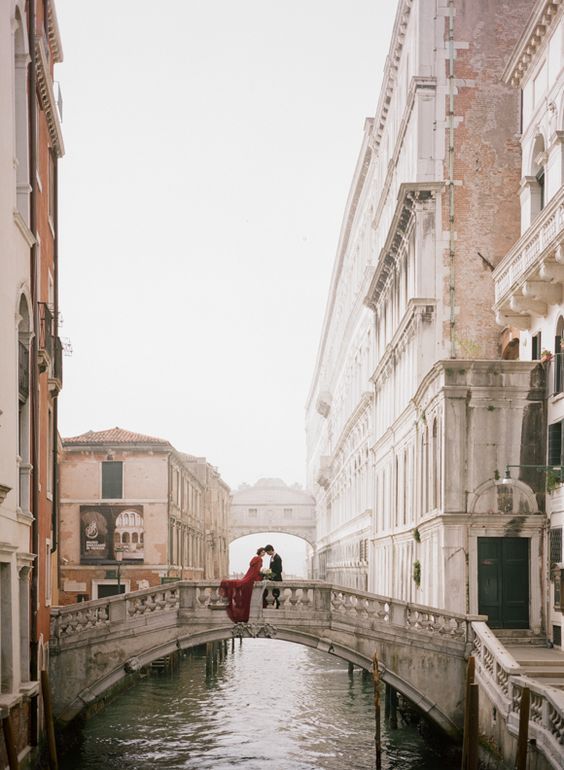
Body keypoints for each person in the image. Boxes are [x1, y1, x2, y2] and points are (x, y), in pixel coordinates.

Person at [219, 547, 266, 623]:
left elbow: (252, 569)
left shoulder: (254, 558)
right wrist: (258, 578)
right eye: (263, 552)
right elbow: (256, 570)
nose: (264, 554)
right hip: (252, 577)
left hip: (249, 576)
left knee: (240, 582)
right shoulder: (259, 559)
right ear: (260, 552)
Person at [264, 544, 282, 608]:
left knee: (277, 594)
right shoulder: (272, 557)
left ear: (271, 550)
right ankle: (276, 607)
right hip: (273, 578)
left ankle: (278, 607)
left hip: (277, 579)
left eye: (267, 552)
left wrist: (271, 576)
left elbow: (279, 570)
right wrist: (268, 575)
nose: (267, 554)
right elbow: (271, 569)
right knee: (274, 594)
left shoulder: (277, 557)